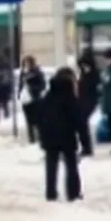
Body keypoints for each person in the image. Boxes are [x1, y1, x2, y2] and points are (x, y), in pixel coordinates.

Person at [38, 68, 85, 202]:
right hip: (67, 136)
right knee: (71, 165)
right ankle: (73, 193)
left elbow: (40, 117)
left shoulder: (48, 96)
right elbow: (79, 120)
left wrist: (42, 134)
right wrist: (85, 141)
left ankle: (50, 192)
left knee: (51, 165)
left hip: (50, 136)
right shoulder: (70, 98)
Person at [75, 50, 100, 157]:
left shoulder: (93, 75)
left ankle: (87, 147)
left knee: (82, 123)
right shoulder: (83, 74)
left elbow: (95, 89)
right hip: (82, 101)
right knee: (81, 124)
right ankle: (85, 147)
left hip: (89, 101)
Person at [19, 56, 46, 144]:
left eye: (28, 63)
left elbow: (42, 85)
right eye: (25, 63)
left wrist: (32, 88)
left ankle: (40, 138)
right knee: (29, 120)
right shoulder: (23, 73)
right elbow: (21, 85)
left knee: (37, 120)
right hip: (26, 100)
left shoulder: (37, 72)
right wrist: (20, 94)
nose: (26, 65)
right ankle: (32, 138)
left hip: (35, 99)